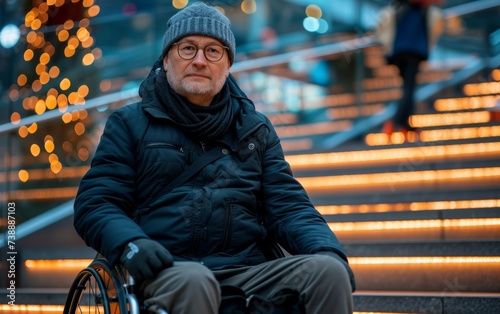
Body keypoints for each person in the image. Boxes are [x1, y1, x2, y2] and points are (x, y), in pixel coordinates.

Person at [73, 3, 355, 313]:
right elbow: (96, 204)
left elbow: (289, 206)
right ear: (166, 59)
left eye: (213, 51)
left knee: (327, 273)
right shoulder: (129, 123)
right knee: (195, 280)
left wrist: (327, 249)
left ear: (228, 64)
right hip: (166, 270)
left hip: (248, 269)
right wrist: (131, 244)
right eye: (188, 49)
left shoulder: (254, 129)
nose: (199, 61)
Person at [375, 0, 444, 135]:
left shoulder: (399, 9)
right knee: (409, 89)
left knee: (408, 88)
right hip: (411, 52)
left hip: (400, 52)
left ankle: (404, 124)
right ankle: (396, 122)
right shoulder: (416, 11)